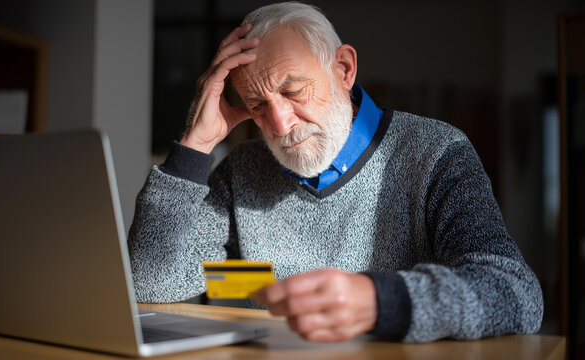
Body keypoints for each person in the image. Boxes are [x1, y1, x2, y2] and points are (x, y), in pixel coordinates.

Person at [128, 2, 543, 343]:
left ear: (343, 69)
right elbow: (151, 282)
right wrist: (194, 147)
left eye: (293, 91)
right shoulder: (241, 171)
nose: (279, 123)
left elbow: (515, 293)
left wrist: (379, 301)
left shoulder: (434, 151)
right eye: (256, 105)